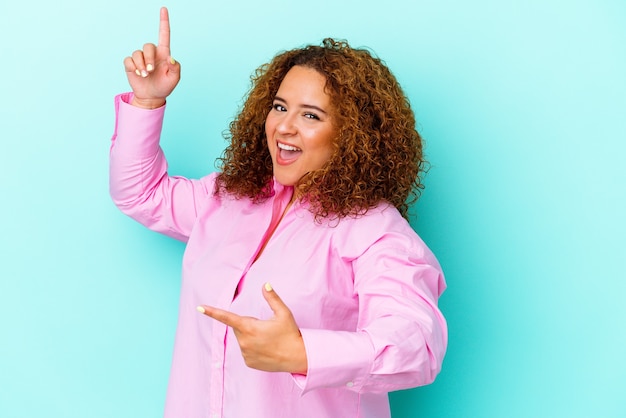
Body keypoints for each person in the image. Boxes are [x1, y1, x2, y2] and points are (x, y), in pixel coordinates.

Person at [110, 6, 447, 418]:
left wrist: (304, 352)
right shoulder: (228, 198)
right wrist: (147, 100)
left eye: (310, 115)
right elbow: (140, 194)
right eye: (280, 107)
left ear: (351, 133)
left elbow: (417, 344)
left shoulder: (375, 232)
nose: (284, 126)